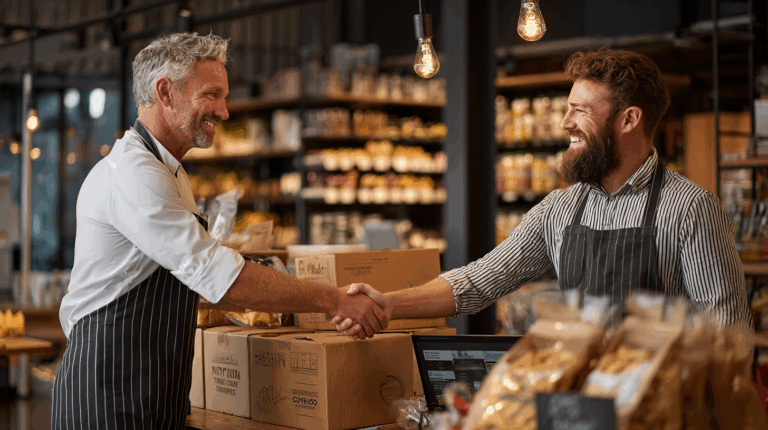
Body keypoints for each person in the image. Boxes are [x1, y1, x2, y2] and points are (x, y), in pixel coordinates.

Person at [51, 33, 388, 429]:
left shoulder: (168, 171)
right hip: (106, 395)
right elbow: (216, 276)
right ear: (165, 92)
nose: (225, 112)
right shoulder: (134, 174)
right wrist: (333, 301)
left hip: (149, 389)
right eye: (212, 95)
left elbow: (194, 277)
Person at [332, 48, 752, 339]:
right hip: (578, 404)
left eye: (580, 111)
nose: (565, 123)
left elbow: (728, 333)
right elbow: (477, 282)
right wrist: (385, 305)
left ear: (629, 120)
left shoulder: (690, 209)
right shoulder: (560, 209)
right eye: (567, 109)